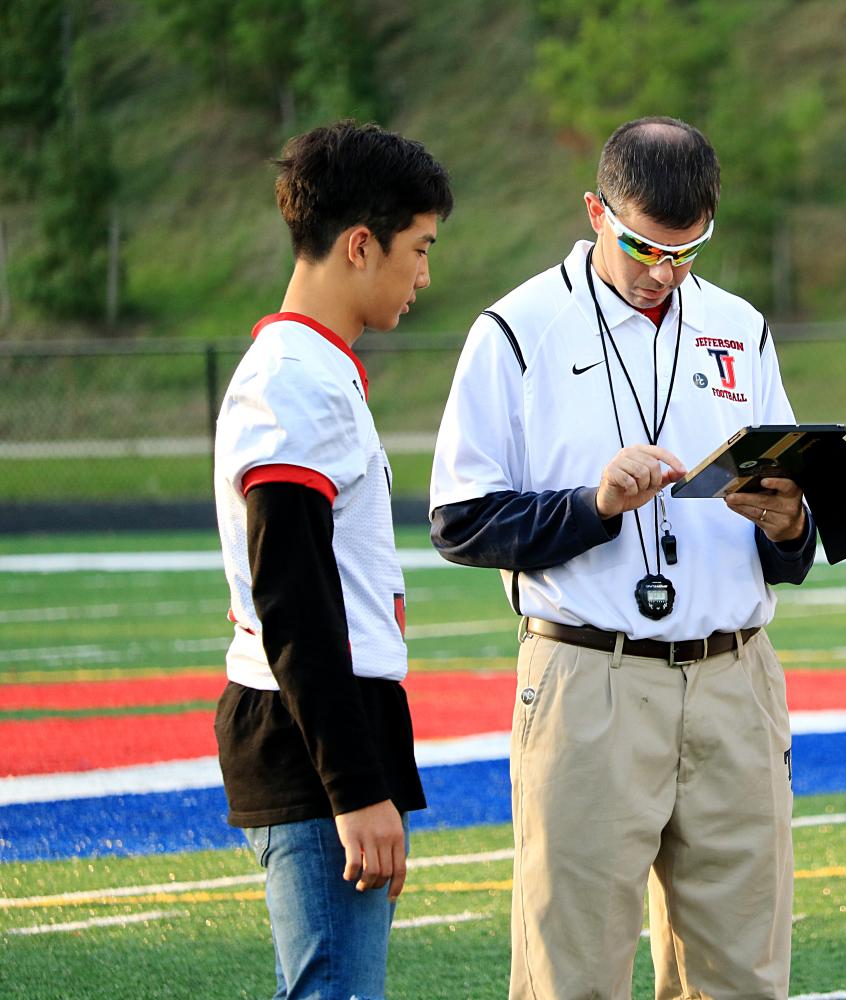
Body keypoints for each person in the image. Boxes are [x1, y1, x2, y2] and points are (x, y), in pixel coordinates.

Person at [429, 116, 815, 999]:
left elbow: (787, 536)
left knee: (744, 977)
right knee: (574, 975)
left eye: (688, 250)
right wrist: (594, 506)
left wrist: (789, 523)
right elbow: (459, 520)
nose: (663, 272)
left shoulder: (739, 325)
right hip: (586, 676)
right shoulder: (517, 329)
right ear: (595, 211)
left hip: (734, 678)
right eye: (644, 246)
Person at [212, 120, 453, 999]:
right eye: (419, 249)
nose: (425, 275)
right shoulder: (293, 380)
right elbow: (297, 598)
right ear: (361, 244)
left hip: (330, 723)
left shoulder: (317, 368)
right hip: (312, 733)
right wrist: (354, 788)